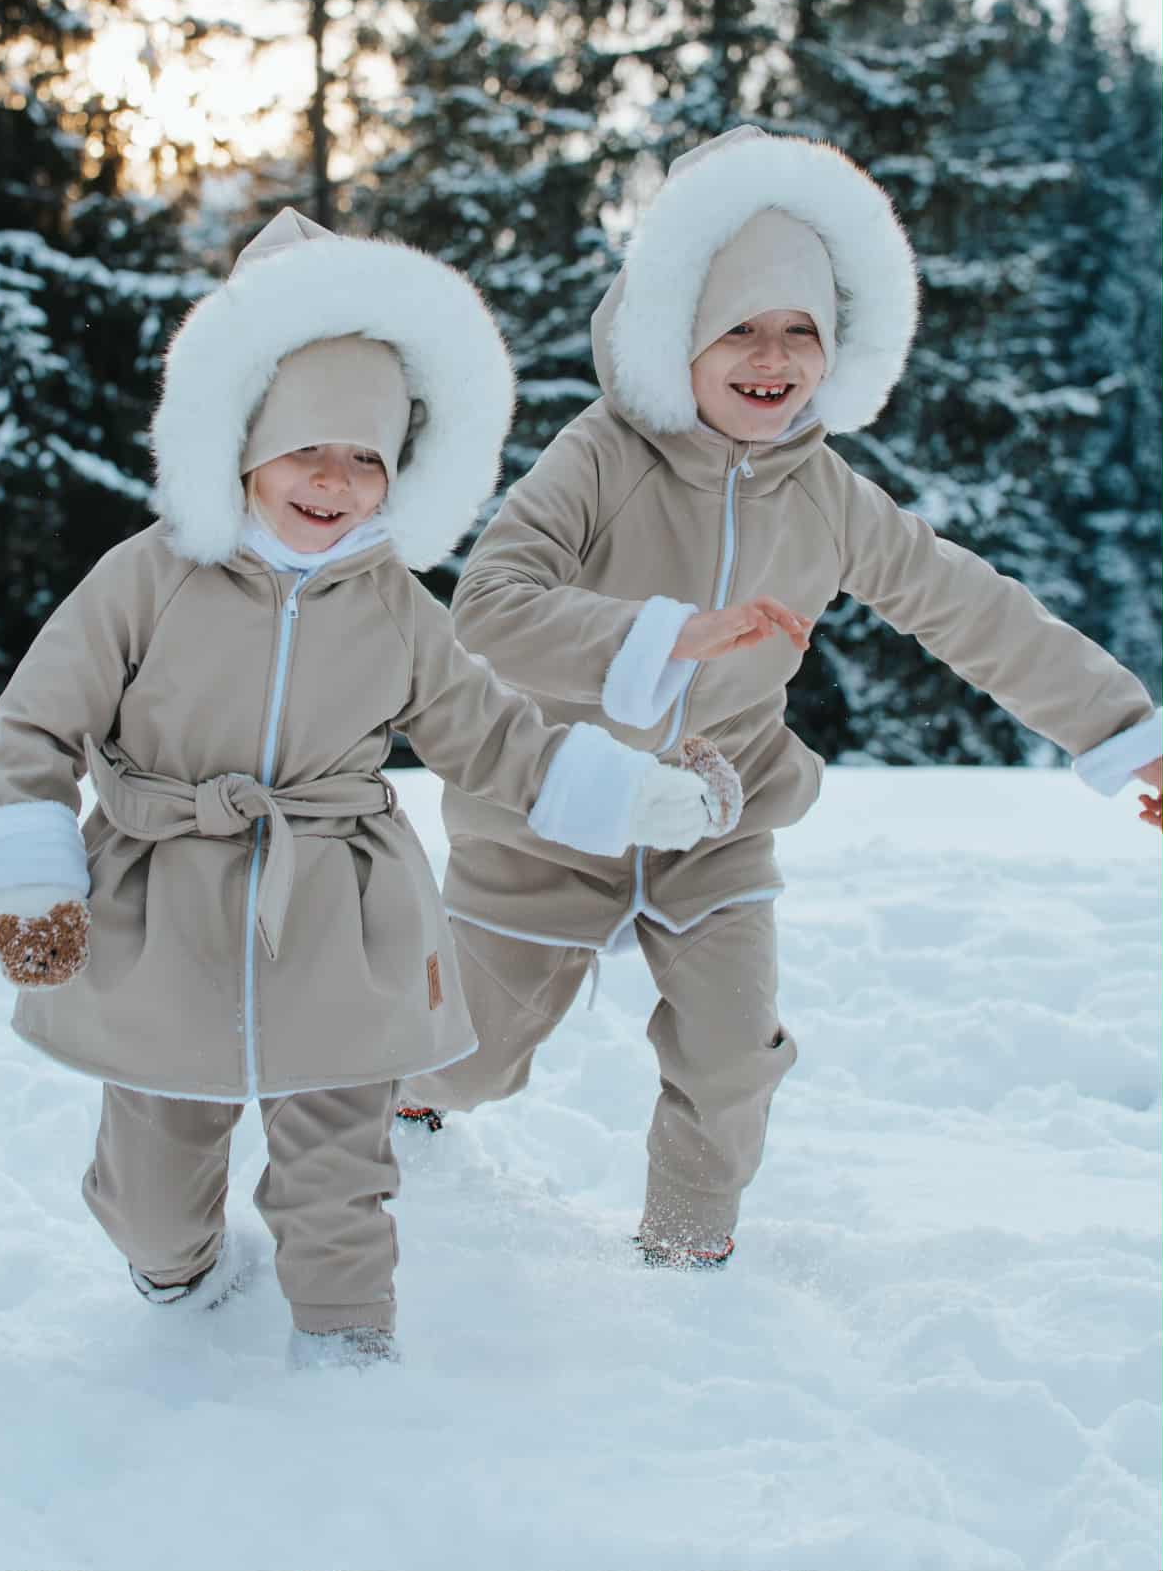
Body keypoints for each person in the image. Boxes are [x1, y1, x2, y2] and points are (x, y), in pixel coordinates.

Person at [0, 208, 739, 1368]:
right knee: (154, 1174)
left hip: (338, 907)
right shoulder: (146, 575)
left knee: (341, 1157)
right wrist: (32, 878)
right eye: (307, 451)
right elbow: (36, 722)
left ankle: (345, 1356)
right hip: (163, 900)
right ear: (240, 449)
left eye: (366, 458)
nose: (335, 481)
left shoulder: (392, 605)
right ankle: (175, 1269)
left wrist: (634, 794)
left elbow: (494, 737)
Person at [399, 126, 1162, 1269]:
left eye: (798, 329)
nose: (771, 356)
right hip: (555, 808)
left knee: (729, 1049)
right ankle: (397, 1107)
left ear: (835, 348)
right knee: (476, 1052)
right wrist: (659, 636)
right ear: (678, 340)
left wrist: (1126, 733)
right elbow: (489, 606)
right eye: (739, 329)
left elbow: (973, 610)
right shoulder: (603, 454)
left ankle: (686, 1258)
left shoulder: (828, 493)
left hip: (720, 812)